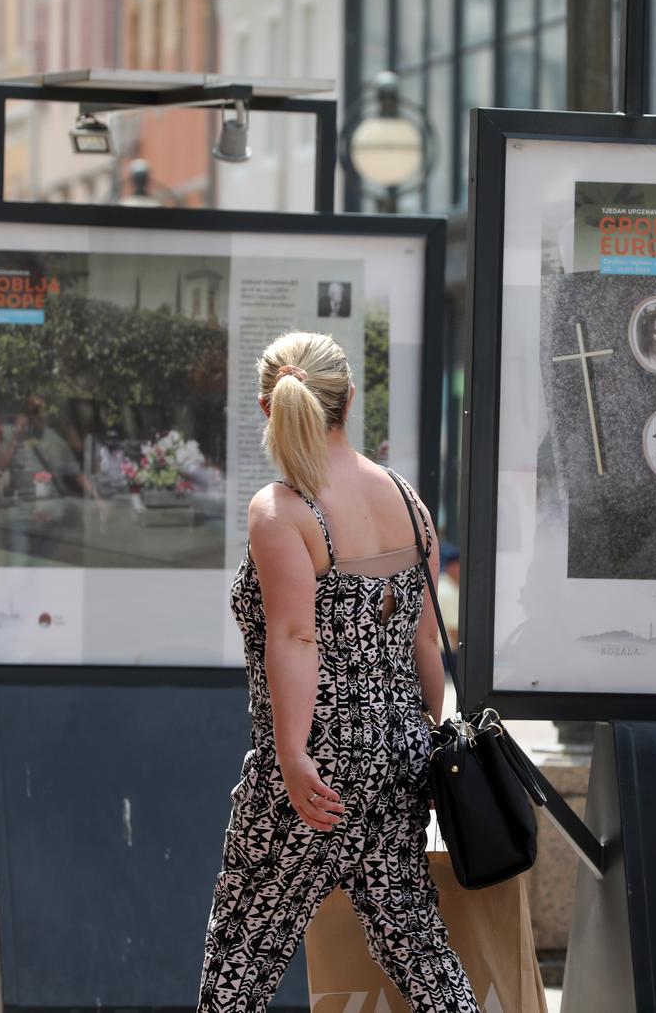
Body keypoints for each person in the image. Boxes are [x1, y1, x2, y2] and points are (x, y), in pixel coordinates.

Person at [197, 332, 478, 1012]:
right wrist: (430, 745)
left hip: (316, 763)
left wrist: (290, 755)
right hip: (400, 750)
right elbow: (425, 643)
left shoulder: (282, 510)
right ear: (349, 399)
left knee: (244, 948)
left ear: (269, 407)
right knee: (417, 946)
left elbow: (295, 637)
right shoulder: (409, 502)